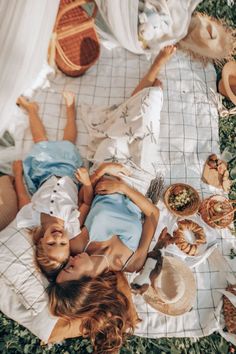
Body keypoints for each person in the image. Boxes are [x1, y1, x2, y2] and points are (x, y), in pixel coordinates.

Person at [47, 46, 176, 353]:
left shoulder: (79, 245)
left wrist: (102, 174)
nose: (70, 261)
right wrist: (123, 189)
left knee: (124, 128)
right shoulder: (131, 263)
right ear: (87, 282)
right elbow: (153, 215)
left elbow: (85, 198)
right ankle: (148, 84)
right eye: (71, 269)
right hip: (140, 182)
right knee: (150, 104)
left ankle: (149, 77)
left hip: (107, 168)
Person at [13, 92, 95, 278]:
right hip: (69, 174)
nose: (58, 238)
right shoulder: (72, 225)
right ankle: (70, 109)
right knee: (68, 143)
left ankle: (32, 110)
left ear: (41, 241)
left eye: (51, 244)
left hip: (43, 174)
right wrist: (87, 183)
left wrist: (17, 174)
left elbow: (22, 196)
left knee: (40, 142)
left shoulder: (31, 218)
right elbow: (87, 203)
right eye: (63, 244)